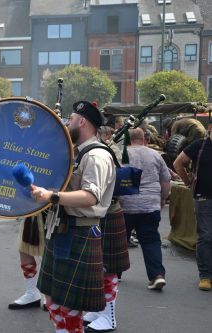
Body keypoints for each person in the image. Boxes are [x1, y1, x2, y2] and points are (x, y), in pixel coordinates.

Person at [32, 101, 116, 333]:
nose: (67, 124)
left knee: (69, 304)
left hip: (80, 231)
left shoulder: (96, 156)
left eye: (70, 120)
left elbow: (90, 196)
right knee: (54, 298)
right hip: (64, 230)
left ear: (82, 122)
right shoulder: (76, 152)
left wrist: (52, 196)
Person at [81, 124, 130, 332]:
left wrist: (109, 147)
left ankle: (109, 318)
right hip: (100, 214)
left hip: (108, 211)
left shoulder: (105, 152)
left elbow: (116, 171)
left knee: (108, 267)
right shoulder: (94, 149)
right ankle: (100, 310)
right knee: (98, 267)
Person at [119, 128, 171, 291]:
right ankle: (157, 276)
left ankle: (114, 274)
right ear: (144, 139)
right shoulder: (155, 155)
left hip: (126, 205)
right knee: (151, 240)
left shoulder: (121, 154)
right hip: (150, 204)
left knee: (120, 242)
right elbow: (166, 180)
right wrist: (163, 198)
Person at [173, 119, 212, 291]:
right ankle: (205, 276)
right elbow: (178, 163)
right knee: (206, 236)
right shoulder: (199, 145)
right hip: (203, 197)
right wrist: (188, 182)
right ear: (210, 128)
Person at [8, 213, 45, 310]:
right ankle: (32, 293)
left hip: (52, 213)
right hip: (32, 212)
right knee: (25, 250)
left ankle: (51, 295)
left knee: (48, 254)